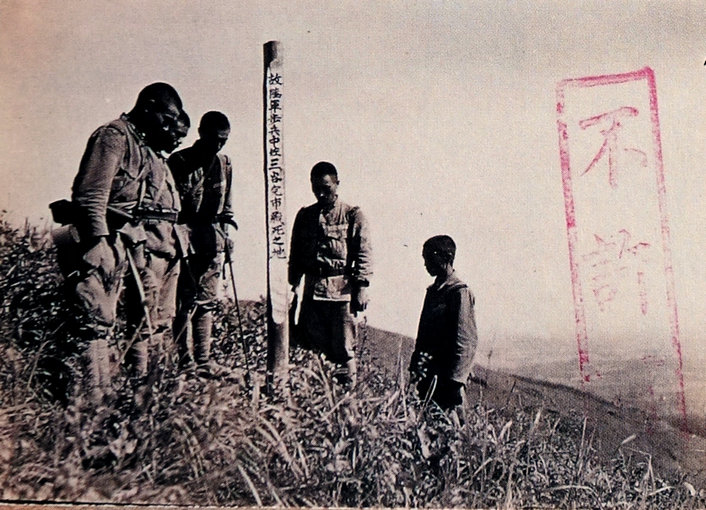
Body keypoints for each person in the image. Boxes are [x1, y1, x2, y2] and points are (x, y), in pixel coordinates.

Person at [61, 82, 186, 404]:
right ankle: (87, 405)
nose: (169, 126)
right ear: (148, 107)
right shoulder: (113, 137)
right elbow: (91, 196)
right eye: (166, 118)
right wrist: (98, 243)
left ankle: (103, 400)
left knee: (104, 322)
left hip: (122, 241)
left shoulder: (140, 145)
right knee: (92, 322)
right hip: (99, 241)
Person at [289, 161, 372, 387]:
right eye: (316, 188)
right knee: (312, 345)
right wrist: (292, 285)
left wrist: (362, 287)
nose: (321, 193)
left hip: (341, 293)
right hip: (313, 290)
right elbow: (295, 254)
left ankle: (349, 396)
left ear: (337, 184)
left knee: (344, 348)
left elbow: (364, 251)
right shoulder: (305, 216)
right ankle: (318, 394)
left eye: (327, 187)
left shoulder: (352, 215)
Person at [169, 111, 235, 375]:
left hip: (212, 240)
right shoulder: (179, 161)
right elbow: (170, 206)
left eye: (224, 140)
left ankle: (204, 360)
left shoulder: (225, 164)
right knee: (183, 303)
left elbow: (227, 208)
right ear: (201, 133)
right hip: (184, 238)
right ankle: (184, 362)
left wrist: (227, 236)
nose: (219, 145)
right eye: (215, 139)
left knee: (207, 301)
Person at [409, 235, 478, 410]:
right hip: (429, 375)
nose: (426, 264)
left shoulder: (459, 292)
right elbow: (423, 334)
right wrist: (416, 365)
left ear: (446, 257)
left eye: (429, 258)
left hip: (448, 381)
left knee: (451, 428)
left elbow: (466, 341)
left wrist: (455, 382)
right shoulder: (433, 291)